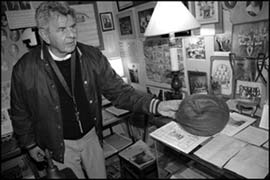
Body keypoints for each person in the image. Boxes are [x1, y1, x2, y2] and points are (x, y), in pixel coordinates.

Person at [10, 2, 181, 178]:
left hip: (91, 136)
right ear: (45, 34)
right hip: (58, 144)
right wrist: (29, 144)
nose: (71, 34)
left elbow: (120, 92)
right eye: (62, 29)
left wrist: (156, 105)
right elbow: (19, 113)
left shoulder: (92, 56)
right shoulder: (24, 69)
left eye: (73, 26)